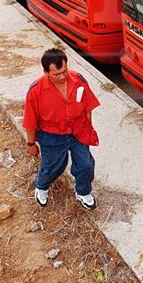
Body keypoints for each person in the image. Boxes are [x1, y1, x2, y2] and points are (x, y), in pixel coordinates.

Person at [23, 48, 100, 210]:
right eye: (56, 74)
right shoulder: (36, 91)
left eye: (64, 71)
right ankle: (41, 187)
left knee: (86, 164)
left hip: (77, 130)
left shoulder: (79, 80)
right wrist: (31, 144)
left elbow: (87, 107)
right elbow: (30, 121)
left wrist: (89, 128)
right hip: (52, 135)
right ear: (45, 72)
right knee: (53, 166)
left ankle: (83, 192)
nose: (63, 77)